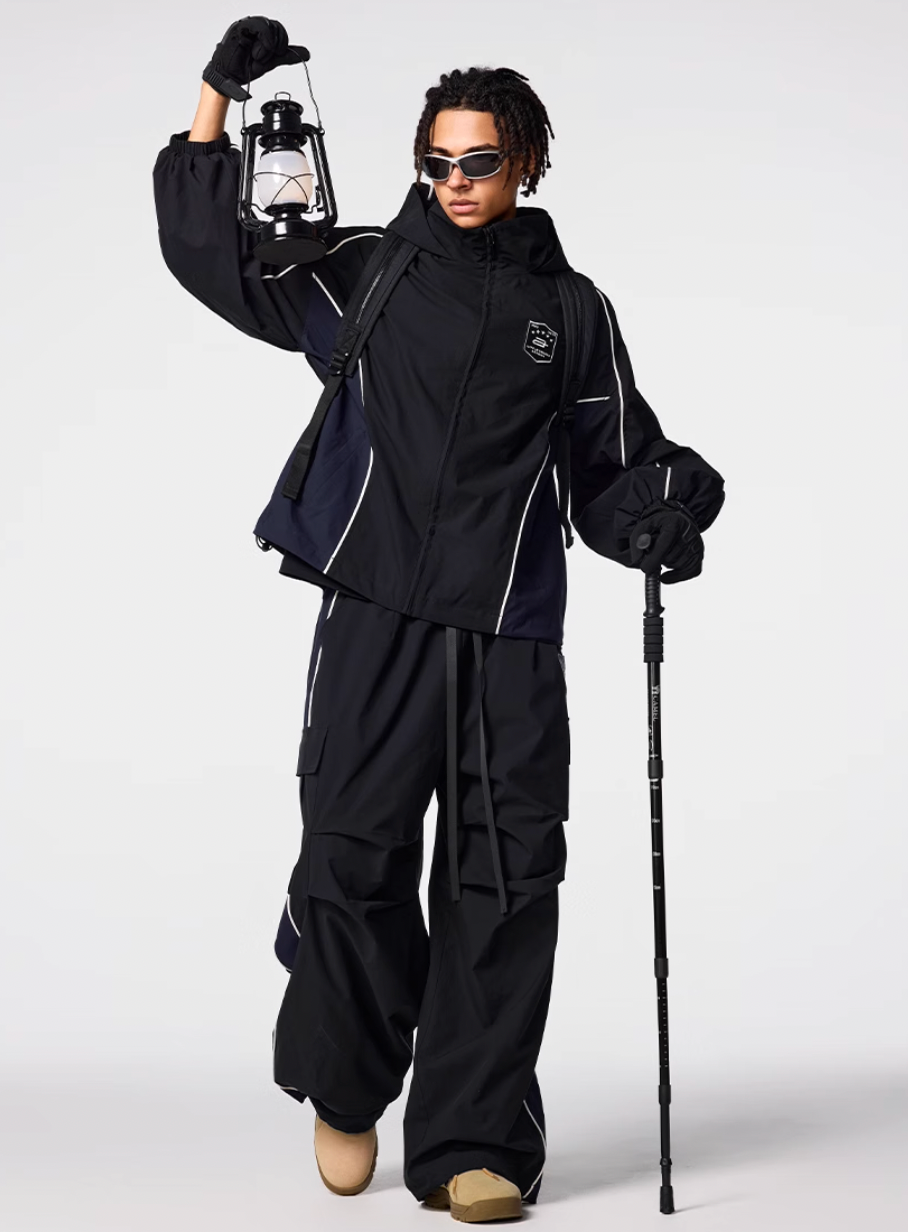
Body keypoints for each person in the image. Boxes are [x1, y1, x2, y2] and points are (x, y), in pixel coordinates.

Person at [153, 16, 725, 1223]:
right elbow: (215, 258)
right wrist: (215, 98)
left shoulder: (569, 309)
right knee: (349, 856)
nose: (454, 182)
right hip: (374, 616)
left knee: (504, 880)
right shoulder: (363, 270)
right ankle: (347, 1078)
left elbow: (612, 461)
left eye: (478, 161)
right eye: (435, 161)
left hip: (508, 628)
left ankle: (473, 1139)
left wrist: (660, 514)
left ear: (526, 163)